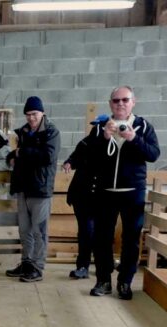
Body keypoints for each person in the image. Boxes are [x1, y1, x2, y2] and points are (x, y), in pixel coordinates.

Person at [83, 86, 160, 300]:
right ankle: (103, 280)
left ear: (133, 102)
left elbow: (154, 154)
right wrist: (104, 138)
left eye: (125, 100)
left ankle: (125, 282)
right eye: (116, 101)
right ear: (110, 104)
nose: (120, 104)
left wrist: (134, 138)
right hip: (105, 192)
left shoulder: (143, 126)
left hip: (132, 192)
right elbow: (88, 157)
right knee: (102, 238)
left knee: (131, 239)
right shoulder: (100, 127)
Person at [5, 96, 60, 283]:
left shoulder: (51, 133)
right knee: (25, 229)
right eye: (28, 115)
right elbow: (16, 153)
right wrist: (12, 156)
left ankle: (38, 266)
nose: (31, 118)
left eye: (34, 114)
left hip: (40, 189)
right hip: (24, 188)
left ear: (42, 112)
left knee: (39, 230)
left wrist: (22, 153)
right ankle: (26, 262)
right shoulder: (23, 132)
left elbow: (47, 156)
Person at [61, 115, 107, 280]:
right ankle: (83, 266)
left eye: (100, 126)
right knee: (86, 231)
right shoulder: (86, 143)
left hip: (102, 196)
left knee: (101, 233)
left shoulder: (112, 145)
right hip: (82, 194)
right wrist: (69, 162)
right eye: (96, 126)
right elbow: (75, 156)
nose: (97, 129)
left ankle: (103, 265)